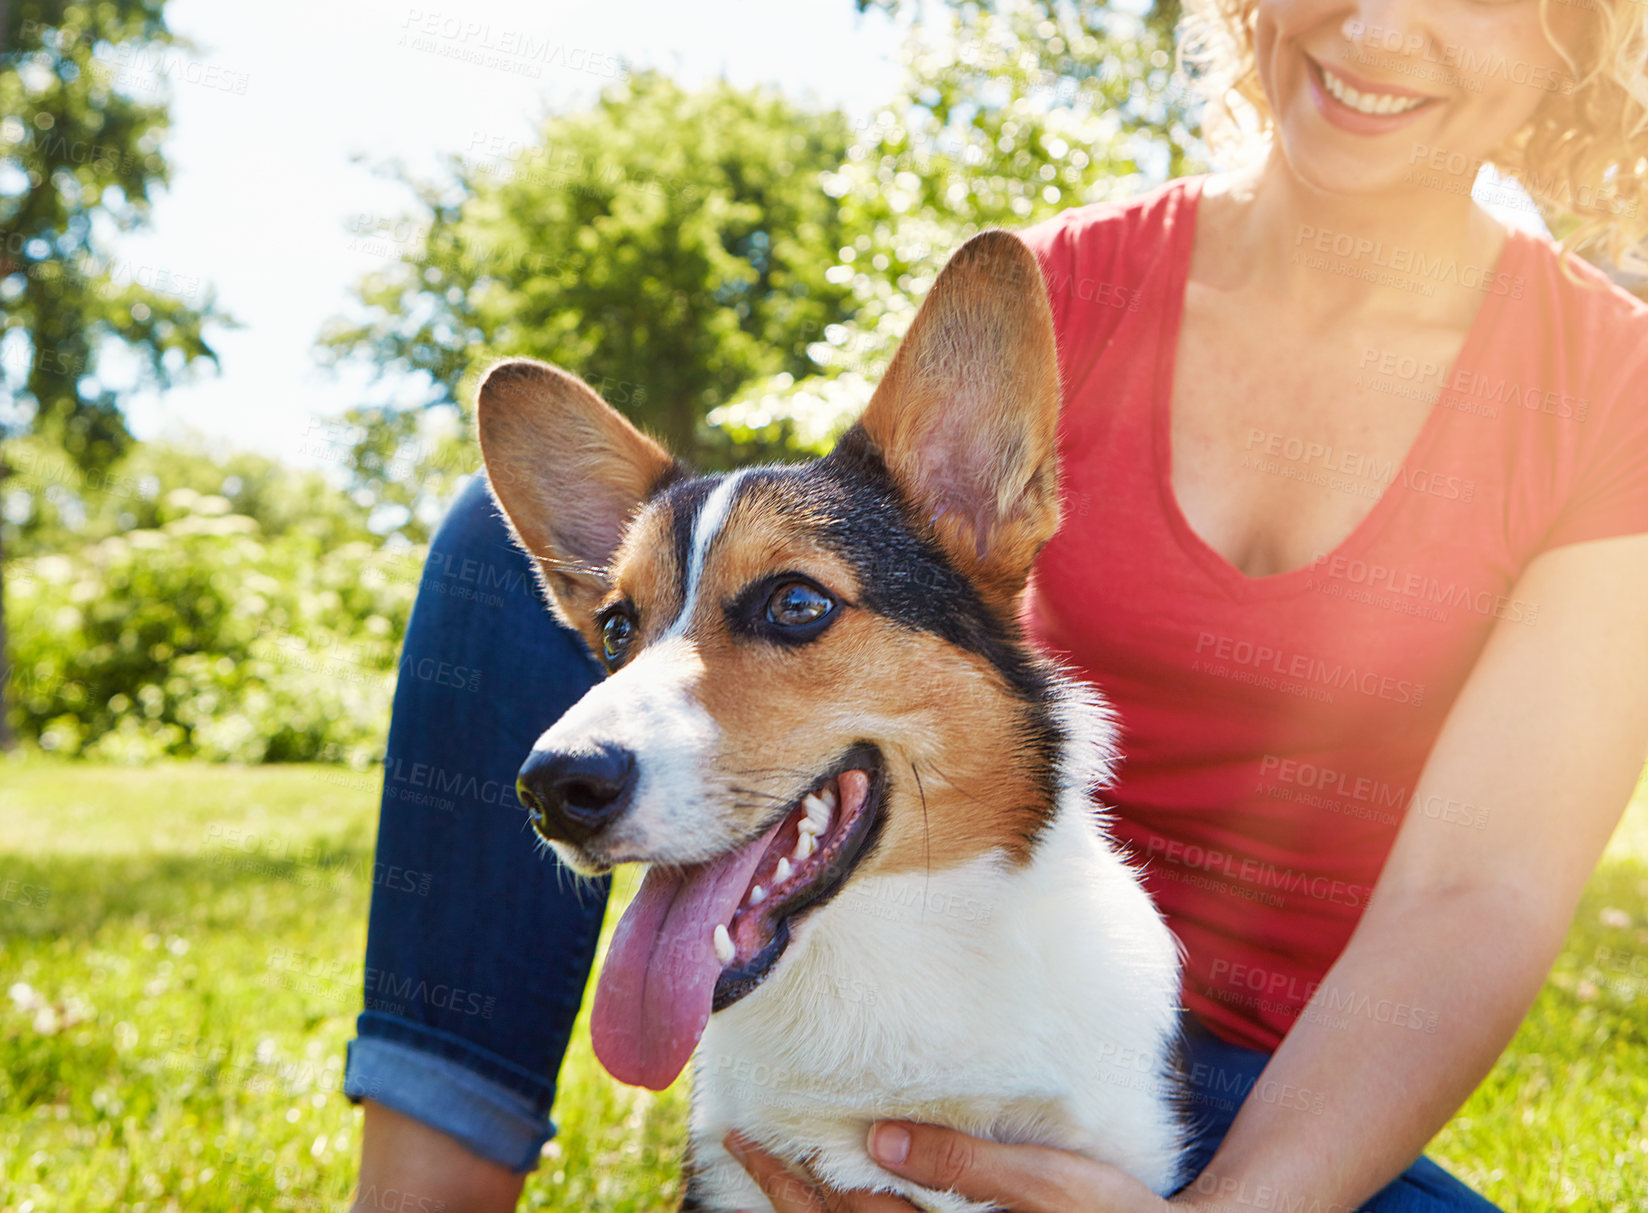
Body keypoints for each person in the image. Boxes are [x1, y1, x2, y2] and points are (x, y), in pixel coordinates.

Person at [343, 1, 1648, 1209]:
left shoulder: (1608, 396)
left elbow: (1473, 892)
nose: (1375, 27)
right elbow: (821, 593)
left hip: (1275, 1076)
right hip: (954, 941)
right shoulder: (1056, 290)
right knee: (516, 547)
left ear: (1575, 36)